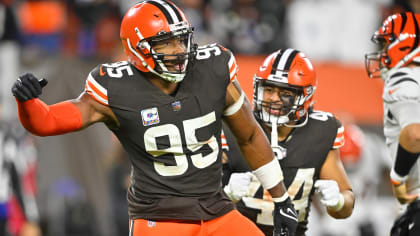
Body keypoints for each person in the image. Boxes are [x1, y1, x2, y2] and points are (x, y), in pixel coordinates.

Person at [10, 1, 298, 236]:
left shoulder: (211, 69)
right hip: (160, 220)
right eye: (166, 43)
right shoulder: (114, 89)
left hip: (216, 211)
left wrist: (281, 198)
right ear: (137, 48)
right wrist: (27, 102)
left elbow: (248, 135)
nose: (179, 50)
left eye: (181, 40)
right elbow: (46, 122)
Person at [222, 48, 355, 236]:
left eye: (285, 92)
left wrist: (339, 201)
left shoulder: (321, 131)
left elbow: (345, 208)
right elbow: (198, 201)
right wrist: (225, 194)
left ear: (305, 96)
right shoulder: (232, 126)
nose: (274, 98)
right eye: (268, 89)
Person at [365, 11, 420, 236]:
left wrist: (398, 178)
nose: (382, 52)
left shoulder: (403, 79)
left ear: (403, 44)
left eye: (386, 44)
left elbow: (415, 134)